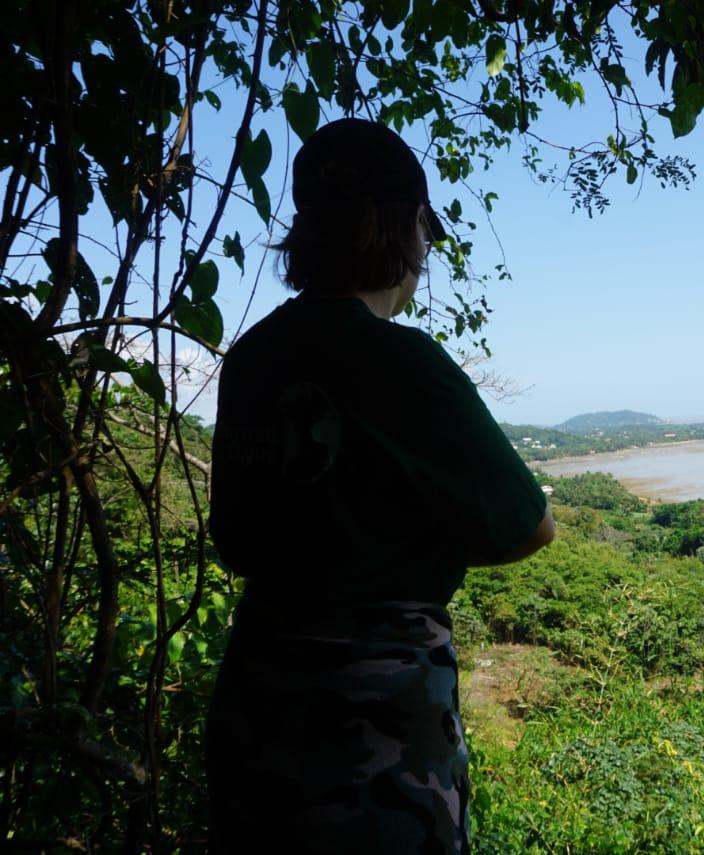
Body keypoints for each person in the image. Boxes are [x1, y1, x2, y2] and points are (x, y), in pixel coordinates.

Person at [206, 117, 554, 853]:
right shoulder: (404, 363)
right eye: (426, 232)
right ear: (403, 231)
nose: (425, 254)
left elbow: (235, 533)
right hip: (382, 719)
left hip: (257, 697)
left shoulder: (253, 358)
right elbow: (528, 525)